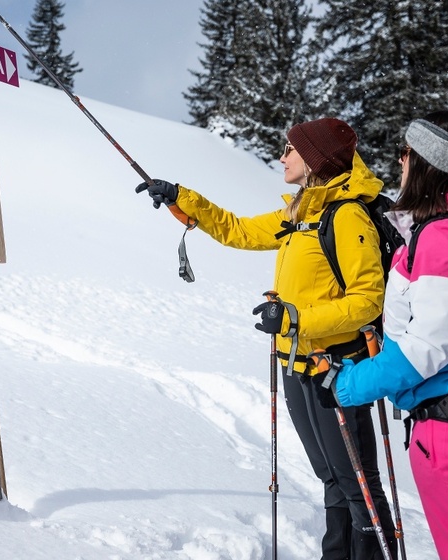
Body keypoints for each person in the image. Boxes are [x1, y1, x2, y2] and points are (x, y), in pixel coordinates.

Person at [138, 118, 397, 559]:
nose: (282, 158)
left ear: (314, 159)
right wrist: (181, 198)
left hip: (339, 369)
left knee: (358, 484)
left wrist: (294, 320)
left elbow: (368, 301)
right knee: (331, 477)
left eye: (290, 150)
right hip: (296, 365)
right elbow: (237, 229)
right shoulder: (301, 213)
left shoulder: (347, 215)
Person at [321, 109, 448, 559]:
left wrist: (348, 384)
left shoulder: (447, 238)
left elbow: (429, 347)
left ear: (428, 163)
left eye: (406, 153)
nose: (400, 163)